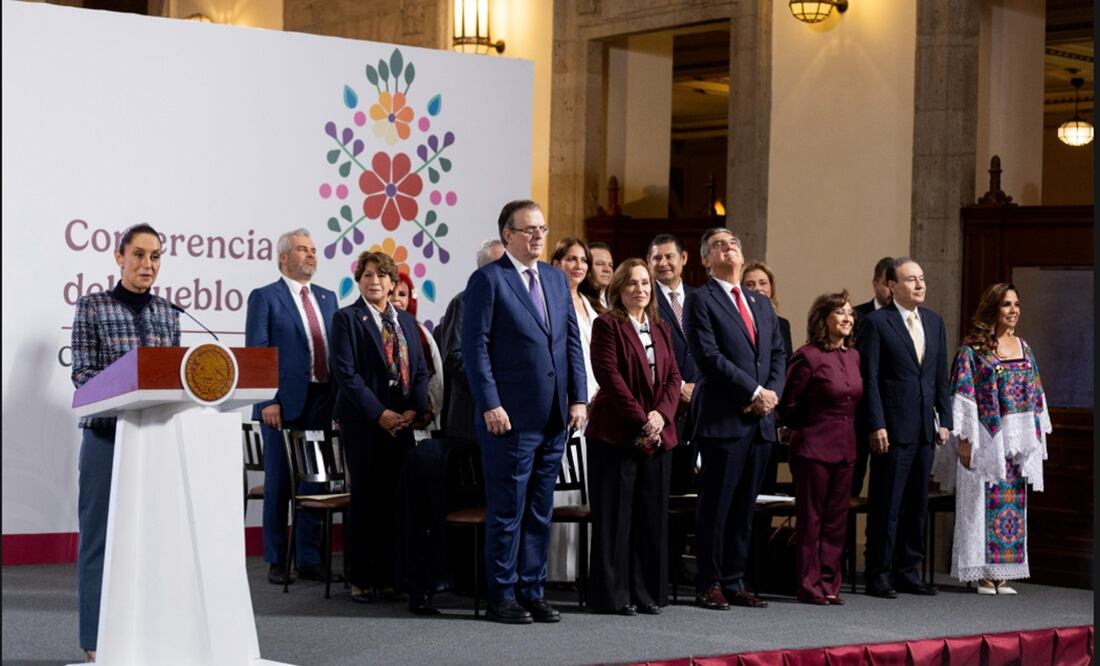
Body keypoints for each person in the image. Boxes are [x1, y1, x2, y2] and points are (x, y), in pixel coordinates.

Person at [460, 199, 587, 624]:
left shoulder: (554, 279)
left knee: (539, 510)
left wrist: (578, 398)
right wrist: (490, 402)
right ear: (507, 236)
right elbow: (475, 348)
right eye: (529, 229)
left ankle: (533, 590)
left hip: (554, 416)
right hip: (508, 419)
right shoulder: (488, 281)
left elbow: (570, 342)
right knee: (508, 511)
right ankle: (503, 594)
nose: (537, 236)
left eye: (542, 229)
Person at [71, 224, 180, 661]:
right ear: (119, 257)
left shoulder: (169, 313)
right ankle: (96, 643)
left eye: (155, 256)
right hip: (105, 439)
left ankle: (149, 634)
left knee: (153, 541)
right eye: (138, 255)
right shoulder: (92, 307)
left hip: (153, 443)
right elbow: (82, 376)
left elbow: (176, 381)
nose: (147, 265)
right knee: (99, 541)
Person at [684, 227, 786, 611]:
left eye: (734, 244)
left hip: (759, 422)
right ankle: (708, 582)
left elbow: (777, 353)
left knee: (745, 507)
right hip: (724, 418)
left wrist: (770, 394)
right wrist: (753, 392)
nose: (729, 249)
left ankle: (734, 579)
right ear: (706, 259)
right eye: (719, 246)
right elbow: (708, 357)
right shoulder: (700, 300)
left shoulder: (760, 303)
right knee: (717, 506)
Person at [932, 283, 1050, 594]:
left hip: (1014, 446)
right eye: (1006, 305)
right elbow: (963, 397)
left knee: (1011, 506)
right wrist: (966, 442)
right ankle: (982, 573)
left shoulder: (1025, 348)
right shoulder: (973, 351)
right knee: (978, 505)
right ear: (993, 309)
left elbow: (1036, 396)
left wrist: (1032, 441)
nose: (1014, 311)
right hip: (984, 443)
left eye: (1016, 304)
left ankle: (1003, 572)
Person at [330, 251, 431, 612]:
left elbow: (419, 371)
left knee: (394, 501)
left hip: (401, 424)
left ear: (392, 283)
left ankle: (390, 577)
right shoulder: (347, 319)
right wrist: (380, 413)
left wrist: (411, 410)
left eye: (380, 275)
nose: (373, 280)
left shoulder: (405, 321)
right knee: (367, 500)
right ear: (358, 281)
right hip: (364, 423)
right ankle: (361, 577)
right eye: (366, 274)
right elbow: (346, 374)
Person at [585, 259, 682, 616]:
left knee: (649, 517)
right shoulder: (607, 325)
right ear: (619, 289)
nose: (640, 289)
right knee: (615, 519)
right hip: (616, 435)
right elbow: (609, 376)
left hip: (658, 436)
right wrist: (643, 419)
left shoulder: (661, 327)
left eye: (645, 284)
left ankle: (646, 593)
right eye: (632, 284)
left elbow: (673, 377)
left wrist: (661, 416)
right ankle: (613, 596)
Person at [245, 228, 338, 586]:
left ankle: (310, 559)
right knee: (280, 485)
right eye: (303, 250)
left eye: (314, 250)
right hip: (282, 405)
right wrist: (267, 400)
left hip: (322, 401)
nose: (311, 255)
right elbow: (258, 353)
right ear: (284, 257)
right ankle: (277, 558)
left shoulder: (328, 299)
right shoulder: (265, 297)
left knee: (314, 483)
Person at [859, 257, 952, 599]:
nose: (919, 285)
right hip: (892, 429)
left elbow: (939, 375)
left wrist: (946, 420)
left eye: (922, 278)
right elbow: (868, 377)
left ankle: (907, 571)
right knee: (888, 504)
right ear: (892, 286)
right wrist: (876, 422)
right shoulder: (876, 323)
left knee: (916, 505)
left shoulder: (934, 322)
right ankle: (879, 573)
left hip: (925, 429)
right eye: (911, 280)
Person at [778, 291, 862, 605]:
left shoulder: (854, 356)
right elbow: (788, 404)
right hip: (812, 447)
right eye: (840, 312)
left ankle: (829, 583)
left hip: (846, 449)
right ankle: (809, 584)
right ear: (823, 319)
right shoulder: (808, 355)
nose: (847, 318)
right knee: (811, 519)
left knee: (836, 520)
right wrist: (809, 426)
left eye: (850, 314)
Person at [547, 237, 602, 583]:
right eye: (570, 258)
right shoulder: (552, 299)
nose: (578, 265)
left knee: (588, 486)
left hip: (597, 404)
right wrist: (575, 398)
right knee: (563, 485)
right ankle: (560, 569)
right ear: (555, 263)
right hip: (570, 404)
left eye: (583, 259)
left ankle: (582, 566)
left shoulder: (590, 302)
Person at [437, 239, 505, 439]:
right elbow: (453, 357)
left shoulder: (516, 304)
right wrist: (492, 389)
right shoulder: (463, 302)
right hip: (473, 415)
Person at [647, 233, 699, 494]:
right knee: (664, 492)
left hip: (700, 409)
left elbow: (711, 348)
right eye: (657, 257)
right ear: (649, 261)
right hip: (664, 407)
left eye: (669, 256)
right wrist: (678, 387)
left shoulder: (700, 297)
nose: (663, 262)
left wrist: (698, 388)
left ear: (684, 258)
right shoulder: (644, 299)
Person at [741, 261, 794, 496]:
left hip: (769, 416)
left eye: (763, 283)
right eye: (750, 284)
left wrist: (772, 398)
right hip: (741, 409)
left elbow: (783, 365)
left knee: (765, 492)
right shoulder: (735, 321)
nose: (758, 288)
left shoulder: (782, 324)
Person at [851, 256, 894, 497]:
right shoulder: (855, 316)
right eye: (887, 284)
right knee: (851, 484)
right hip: (857, 414)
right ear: (875, 283)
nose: (891, 290)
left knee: (884, 488)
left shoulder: (904, 319)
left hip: (889, 417)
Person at [391, 272, 444, 438]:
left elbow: (435, 375)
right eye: (390, 294)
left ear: (410, 299)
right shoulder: (372, 329)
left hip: (420, 418)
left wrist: (425, 409)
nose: (396, 300)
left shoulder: (421, 332)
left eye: (402, 294)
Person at [588, 241, 615, 308]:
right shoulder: (579, 301)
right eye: (599, 264)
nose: (607, 269)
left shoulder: (616, 301)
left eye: (610, 265)